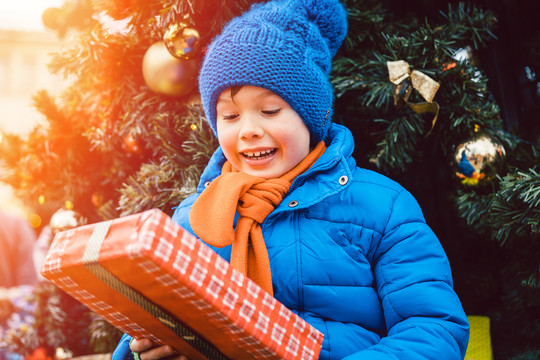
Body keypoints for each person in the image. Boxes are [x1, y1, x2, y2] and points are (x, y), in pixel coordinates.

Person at [113, 0, 470, 359]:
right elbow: (151, 325)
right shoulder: (194, 218)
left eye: (269, 110)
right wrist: (150, 349)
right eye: (230, 115)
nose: (249, 131)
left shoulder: (383, 207)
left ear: (309, 116)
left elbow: (432, 328)